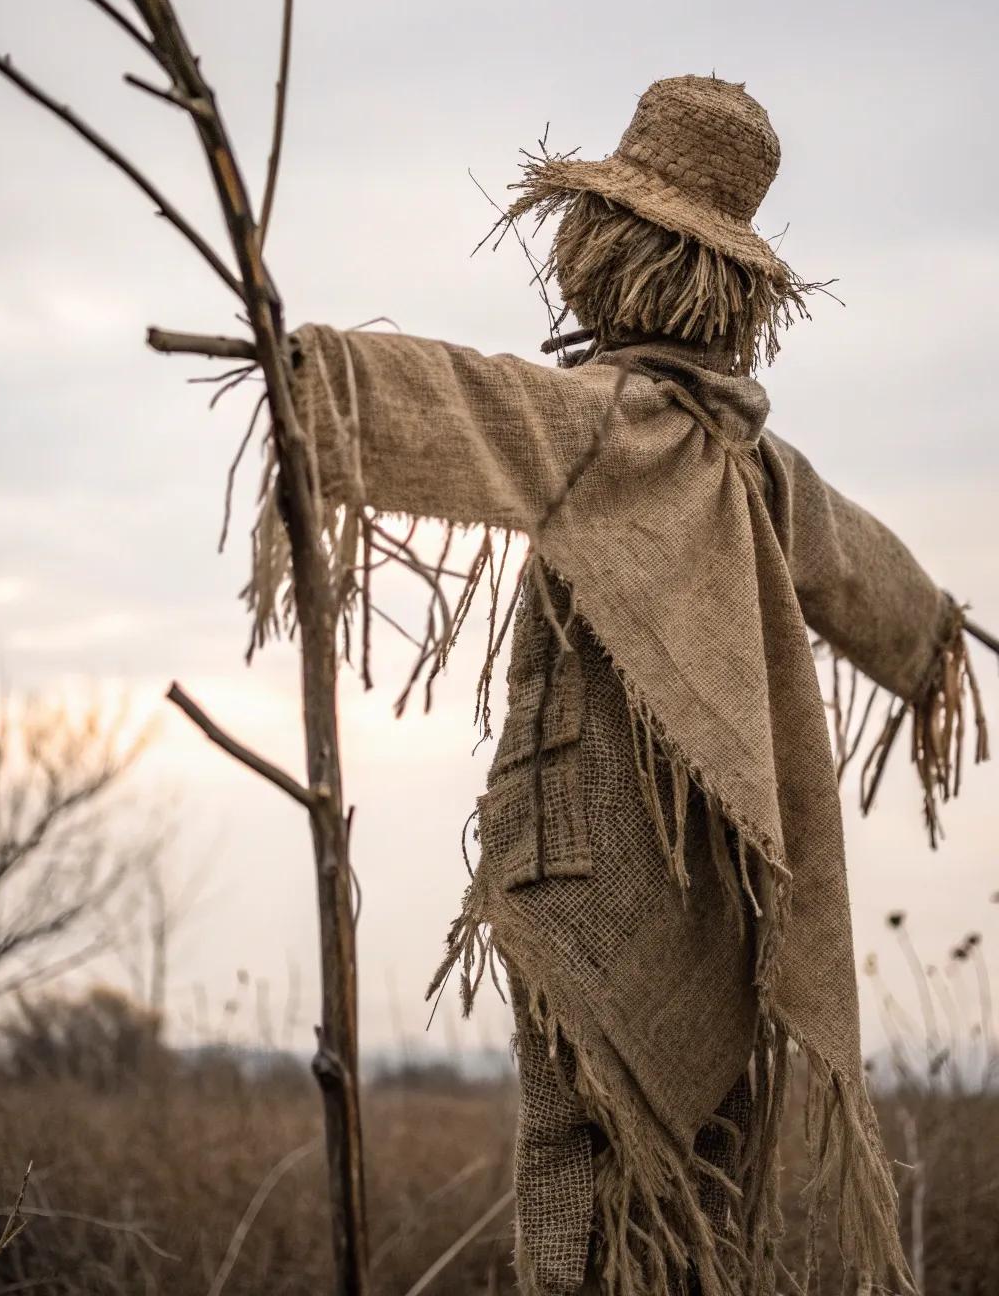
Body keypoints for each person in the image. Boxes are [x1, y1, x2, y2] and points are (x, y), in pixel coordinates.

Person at [249, 75, 988, 1295]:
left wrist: (313, 374)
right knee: (694, 1189)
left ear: (608, 251)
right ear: (735, 293)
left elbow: (478, 402)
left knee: (586, 1170)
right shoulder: (758, 466)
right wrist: (933, 640)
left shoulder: (625, 428)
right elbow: (873, 576)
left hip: (582, 864)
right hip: (720, 887)